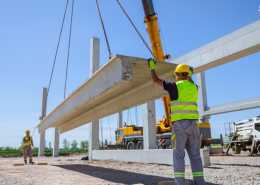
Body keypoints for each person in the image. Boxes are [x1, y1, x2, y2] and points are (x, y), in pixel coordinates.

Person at [148, 59, 206, 185]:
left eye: (176, 74)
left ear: (178, 74)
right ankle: (200, 182)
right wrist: (189, 74)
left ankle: (180, 182)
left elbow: (156, 80)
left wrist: (152, 68)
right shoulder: (195, 87)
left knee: (179, 155)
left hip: (179, 126)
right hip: (194, 125)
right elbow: (190, 81)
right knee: (195, 156)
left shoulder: (175, 86)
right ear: (188, 74)